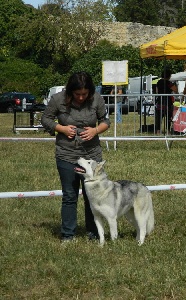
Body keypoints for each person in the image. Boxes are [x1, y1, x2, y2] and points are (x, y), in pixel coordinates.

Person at [41, 71, 111, 242]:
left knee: (93, 196)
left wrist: (95, 130)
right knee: (69, 195)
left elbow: (105, 121)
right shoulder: (58, 99)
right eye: (77, 94)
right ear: (70, 91)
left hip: (92, 155)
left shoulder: (97, 99)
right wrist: (61, 129)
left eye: (84, 94)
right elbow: (46, 119)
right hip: (66, 155)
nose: (81, 97)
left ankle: (94, 232)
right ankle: (68, 234)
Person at [155, 69, 178, 134]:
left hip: (160, 101)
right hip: (167, 102)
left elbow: (157, 91)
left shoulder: (158, 82)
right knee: (168, 117)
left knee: (159, 118)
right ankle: (168, 131)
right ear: (169, 75)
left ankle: (158, 131)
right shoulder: (169, 83)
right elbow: (175, 90)